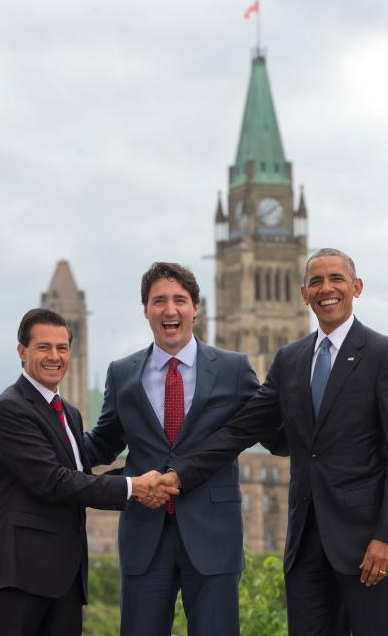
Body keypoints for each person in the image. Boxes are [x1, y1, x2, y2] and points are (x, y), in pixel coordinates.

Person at [168, 248, 388, 635]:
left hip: (368, 545)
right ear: (304, 293)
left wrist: (387, 537)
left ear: (356, 287)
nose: (327, 289)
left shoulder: (386, 355)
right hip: (305, 546)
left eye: (336, 279)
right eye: (316, 282)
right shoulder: (290, 359)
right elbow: (242, 429)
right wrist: (177, 474)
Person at [0, 308, 177, 636]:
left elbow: (80, 473)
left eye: (62, 348)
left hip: (65, 581)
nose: (55, 357)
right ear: (22, 351)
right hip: (18, 577)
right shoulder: (10, 409)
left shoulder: (68, 412)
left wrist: (151, 471)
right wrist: (133, 487)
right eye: (44, 347)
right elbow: (55, 482)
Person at [83, 262, 259, 636]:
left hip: (214, 538)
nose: (170, 310)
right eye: (158, 301)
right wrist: (50, 438)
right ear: (146, 310)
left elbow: (267, 424)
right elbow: (103, 442)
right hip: (144, 536)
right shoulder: (122, 373)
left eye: (180, 300)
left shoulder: (234, 369)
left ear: (196, 308)